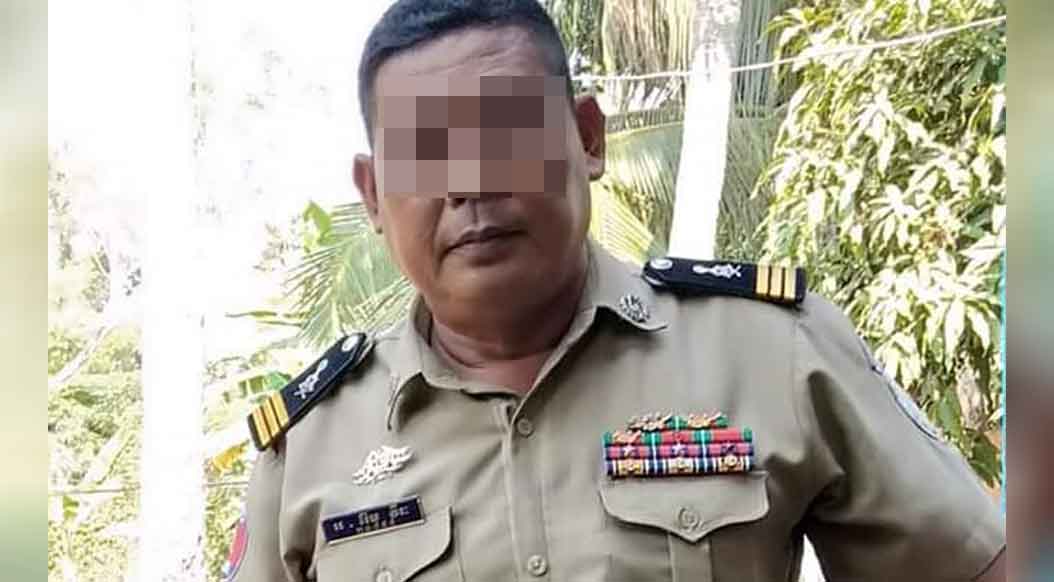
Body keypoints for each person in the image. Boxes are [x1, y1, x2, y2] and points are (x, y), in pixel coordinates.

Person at [225, 1, 1006, 580]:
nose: (468, 184)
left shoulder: (772, 354)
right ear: (372, 193)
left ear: (587, 138)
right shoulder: (309, 447)